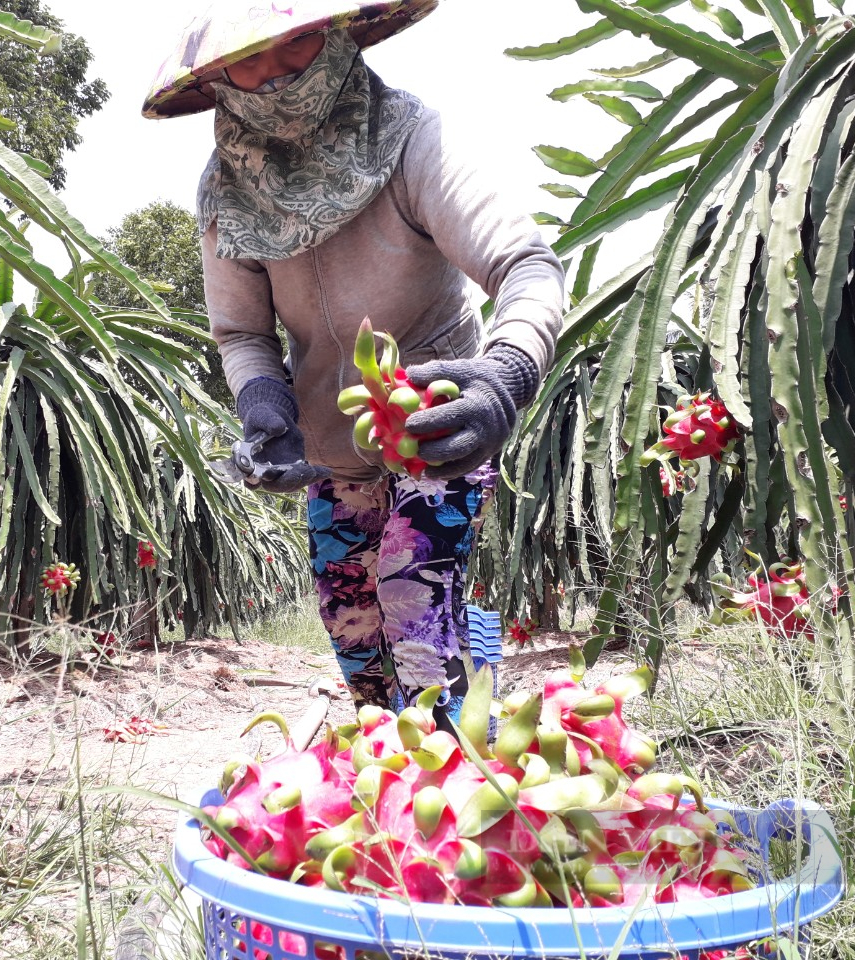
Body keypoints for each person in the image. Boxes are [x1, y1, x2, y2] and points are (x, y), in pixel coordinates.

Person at [145, 1, 564, 731]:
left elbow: (525, 264)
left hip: (438, 428)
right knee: (352, 629)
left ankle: (465, 796)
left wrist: (506, 377)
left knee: (413, 602)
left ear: (338, 39)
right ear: (217, 81)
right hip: (333, 453)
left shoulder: (411, 138)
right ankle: (392, 776)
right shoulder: (225, 194)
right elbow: (242, 332)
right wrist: (264, 408)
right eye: (250, 59)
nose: (275, 76)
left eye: (298, 43)